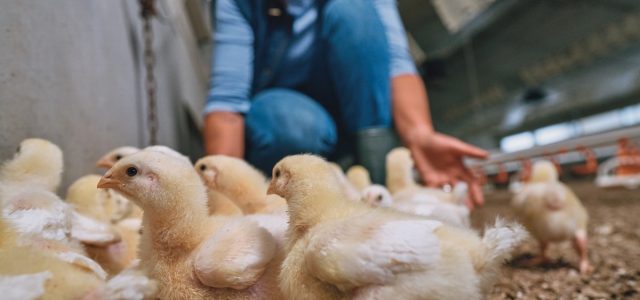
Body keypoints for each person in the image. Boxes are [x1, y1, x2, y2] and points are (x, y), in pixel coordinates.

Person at [203, 0, 489, 208]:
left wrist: (419, 133)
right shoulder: (239, 4)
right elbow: (227, 102)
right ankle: (304, 192)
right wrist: (224, 198)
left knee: (354, 9)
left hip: (356, 116)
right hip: (289, 116)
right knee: (291, 126)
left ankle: (374, 191)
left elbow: (395, 61)